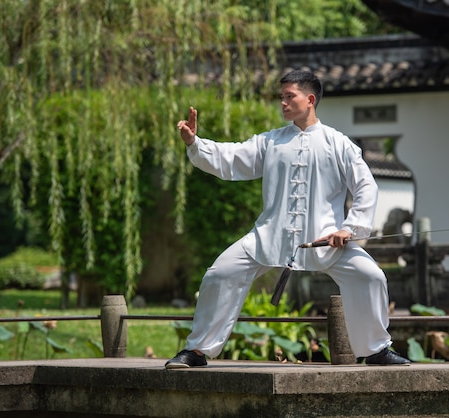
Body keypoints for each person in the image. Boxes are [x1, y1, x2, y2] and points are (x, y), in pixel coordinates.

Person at [165, 70, 410, 369]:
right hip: (269, 234)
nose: (282, 103)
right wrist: (195, 143)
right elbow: (232, 157)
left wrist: (349, 228)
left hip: (324, 238)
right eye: (281, 97)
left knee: (370, 276)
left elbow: (366, 186)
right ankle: (197, 351)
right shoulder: (271, 142)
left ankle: (376, 351)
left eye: (288, 96)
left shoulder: (338, 143)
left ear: (309, 99)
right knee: (219, 274)